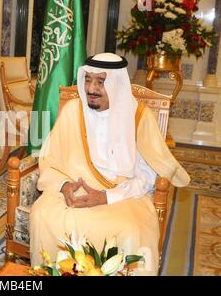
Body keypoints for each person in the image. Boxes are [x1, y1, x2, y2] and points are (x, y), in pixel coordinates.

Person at [29, 53, 190, 275]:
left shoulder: (140, 118)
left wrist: (105, 197)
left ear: (116, 84)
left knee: (130, 229)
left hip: (121, 195)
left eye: (101, 82)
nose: (91, 88)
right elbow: (50, 160)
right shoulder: (72, 111)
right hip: (74, 189)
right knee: (42, 215)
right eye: (87, 80)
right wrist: (64, 185)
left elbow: (147, 176)